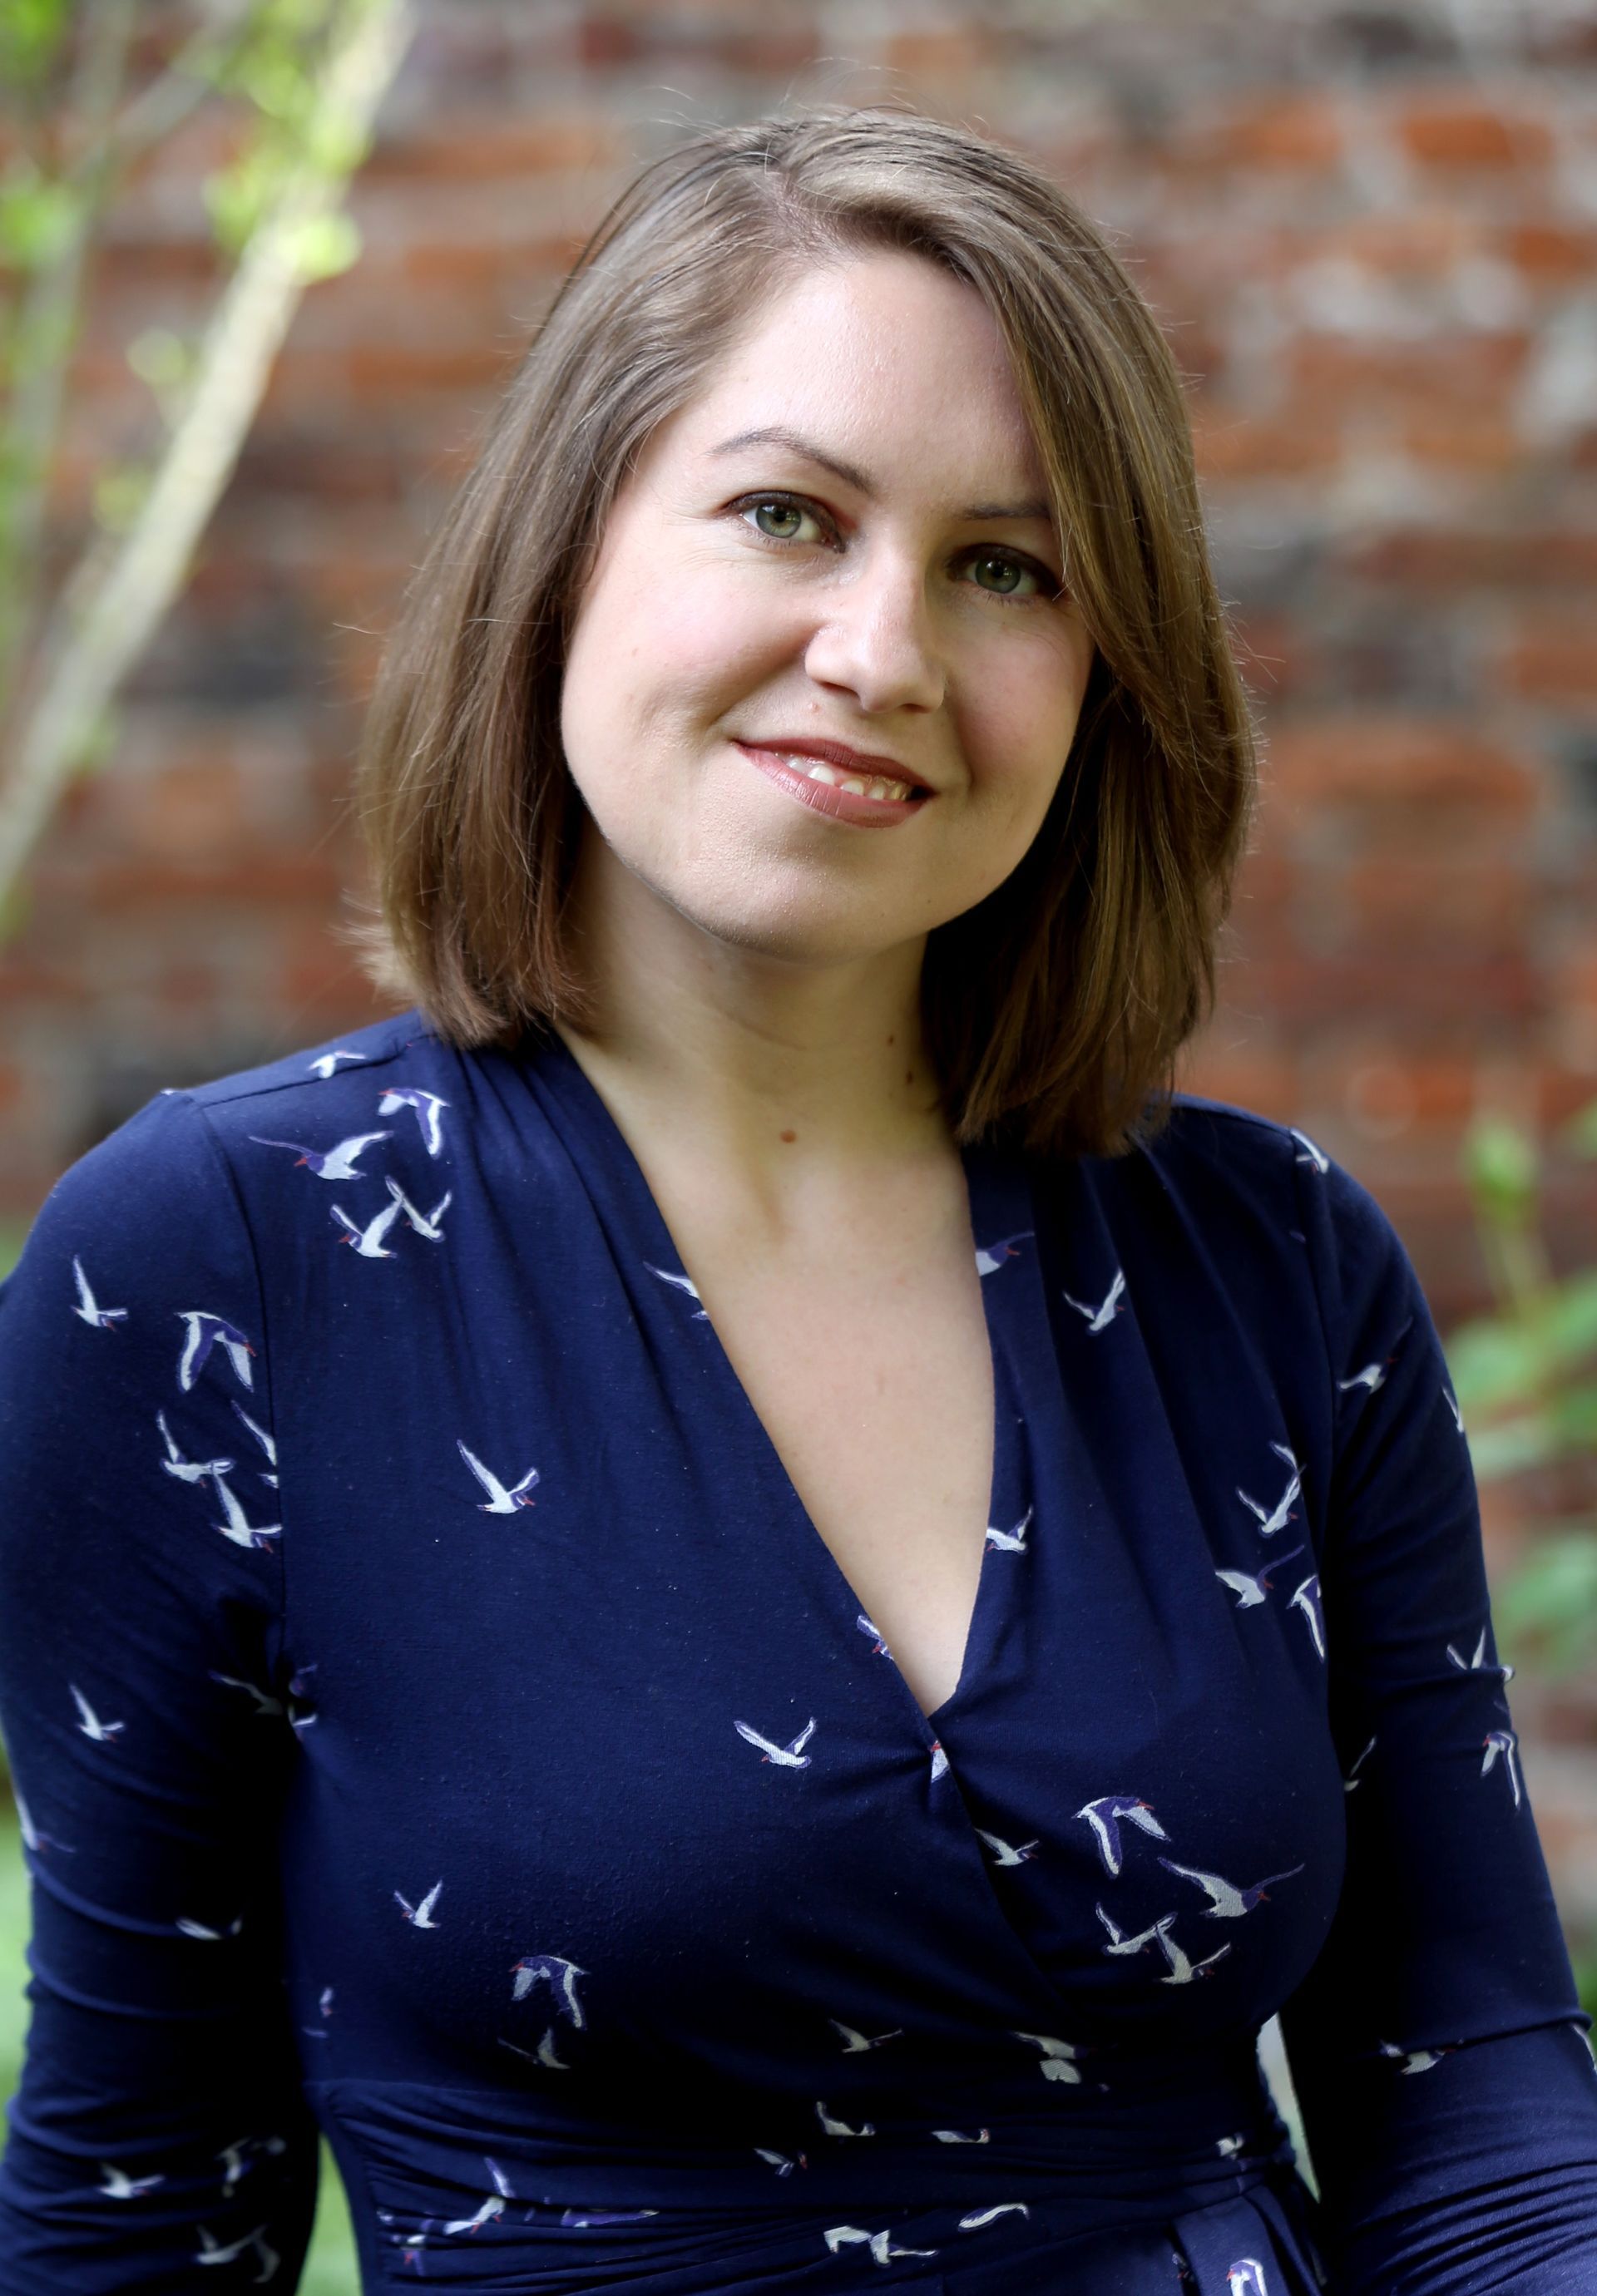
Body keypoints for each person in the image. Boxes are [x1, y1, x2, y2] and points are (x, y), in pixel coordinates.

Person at [0, 99, 1593, 2296]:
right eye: (786, 514)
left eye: (1005, 568)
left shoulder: (1277, 1270)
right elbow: (131, 2205)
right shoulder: (217, 1268)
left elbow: (1478, 2102)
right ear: (572, 550)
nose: (883, 650)